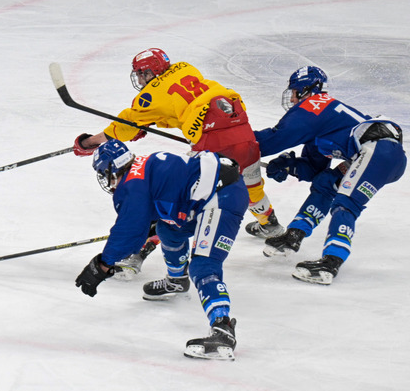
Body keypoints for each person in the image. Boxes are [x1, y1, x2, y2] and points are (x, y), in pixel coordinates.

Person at [73, 48, 280, 278]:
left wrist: (90, 142)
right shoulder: (186, 68)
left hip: (214, 143)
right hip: (243, 131)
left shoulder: (151, 93)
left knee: (177, 199)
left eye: (142, 74)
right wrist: (154, 122)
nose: (140, 80)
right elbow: (180, 106)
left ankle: (137, 255)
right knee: (250, 184)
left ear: (153, 72)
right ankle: (271, 225)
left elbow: (126, 123)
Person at [73, 139, 246, 360]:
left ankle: (223, 330)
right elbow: (165, 196)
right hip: (213, 191)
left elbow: (129, 232)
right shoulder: (143, 166)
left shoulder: (131, 185)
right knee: (168, 230)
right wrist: (148, 222)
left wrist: (102, 265)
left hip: (222, 199)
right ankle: (176, 281)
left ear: (111, 167)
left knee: (204, 266)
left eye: (103, 172)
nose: (106, 179)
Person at [255, 66, 405, 285]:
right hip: (377, 154)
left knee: (346, 202)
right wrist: (290, 166)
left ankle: (331, 263)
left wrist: (233, 143)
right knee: (325, 184)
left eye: (295, 92)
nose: (294, 99)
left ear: (307, 90)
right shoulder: (321, 121)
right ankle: (294, 235)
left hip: (379, 150)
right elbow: (313, 169)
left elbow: (273, 140)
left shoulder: (316, 105)